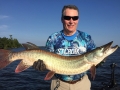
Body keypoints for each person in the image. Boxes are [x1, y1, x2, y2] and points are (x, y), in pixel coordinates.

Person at [33, 5, 96, 90]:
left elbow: (94, 57)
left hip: (82, 84)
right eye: (67, 17)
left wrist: (102, 59)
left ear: (78, 20)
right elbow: (47, 60)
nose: (71, 21)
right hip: (59, 84)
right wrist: (41, 66)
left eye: (75, 18)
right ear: (62, 19)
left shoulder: (86, 37)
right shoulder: (53, 38)